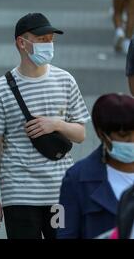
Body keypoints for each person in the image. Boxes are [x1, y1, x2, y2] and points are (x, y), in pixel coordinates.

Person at [0, 13, 91, 239]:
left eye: (50, 39)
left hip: (60, 191)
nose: (48, 44)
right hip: (18, 193)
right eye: (41, 39)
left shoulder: (65, 80)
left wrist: (56, 124)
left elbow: (81, 134)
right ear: (22, 42)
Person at [57, 93, 134, 239]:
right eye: (124, 135)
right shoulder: (76, 178)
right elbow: (65, 233)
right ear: (102, 134)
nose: (132, 141)